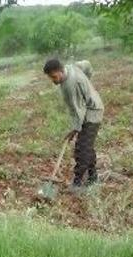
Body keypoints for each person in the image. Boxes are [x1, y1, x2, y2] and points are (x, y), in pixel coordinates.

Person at [43, 58, 104, 187]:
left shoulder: (70, 86)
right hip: (88, 109)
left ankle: (77, 182)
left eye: (54, 76)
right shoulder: (72, 67)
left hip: (92, 112)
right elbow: (87, 64)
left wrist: (75, 130)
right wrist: (88, 81)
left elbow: (78, 111)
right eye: (50, 78)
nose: (53, 80)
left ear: (60, 71)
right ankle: (93, 177)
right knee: (87, 146)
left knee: (81, 149)